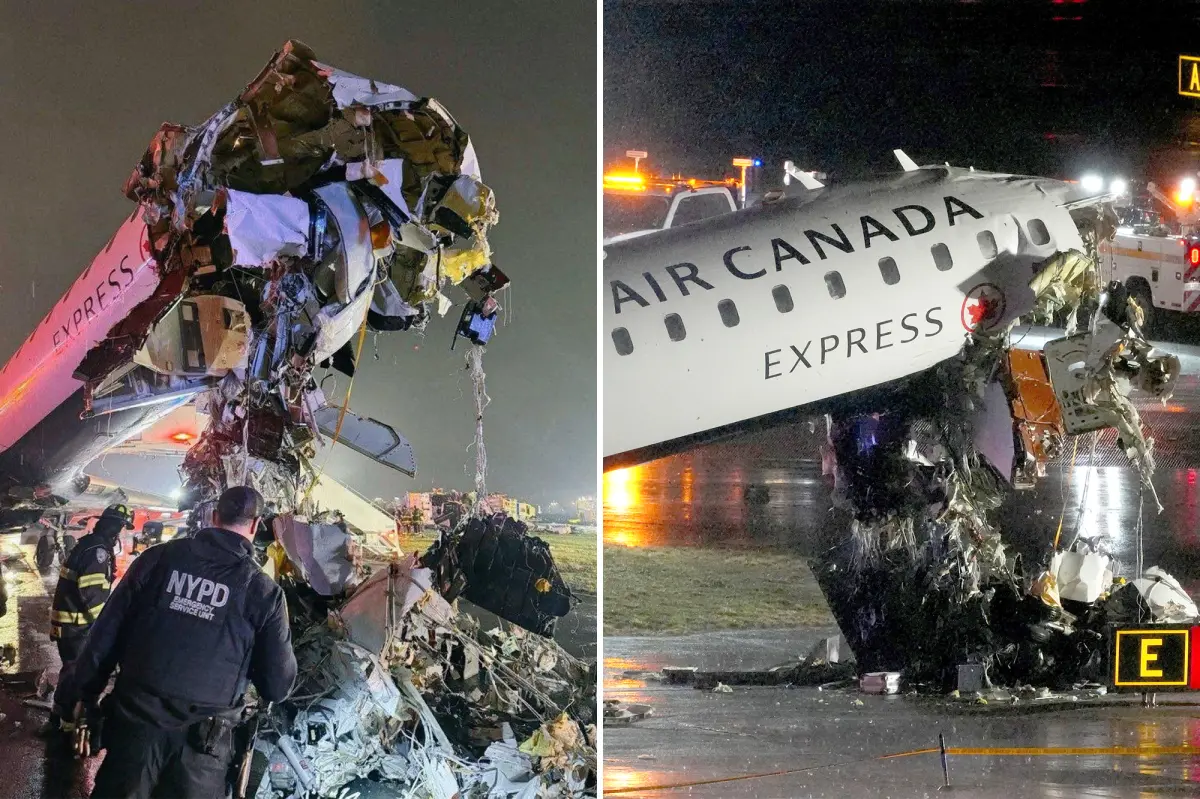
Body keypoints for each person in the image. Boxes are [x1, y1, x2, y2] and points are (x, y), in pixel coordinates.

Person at [55, 486, 297, 799]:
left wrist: (85, 697)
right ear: (255, 525)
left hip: (134, 733)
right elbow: (277, 687)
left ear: (213, 516)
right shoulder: (264, 593)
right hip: (202, 753)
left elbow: (105, 635)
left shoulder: (157, 559)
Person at [45, 503, 132, 735]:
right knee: (77, 673)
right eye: (121, 528)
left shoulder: (90, 544)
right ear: (115, 528)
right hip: (77, 626)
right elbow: (92, 594)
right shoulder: (97, 552)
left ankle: (59, 717)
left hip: (71, 624)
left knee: (71, 671)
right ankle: (65, 724)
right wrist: (106, 626)